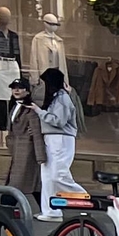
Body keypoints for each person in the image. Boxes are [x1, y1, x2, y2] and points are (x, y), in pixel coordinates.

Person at [34, 67, 88, 208]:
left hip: (61, 138)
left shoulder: (62, 97)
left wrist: (39, 111)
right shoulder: (56, 97)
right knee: (47, 177)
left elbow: (59, 121)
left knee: (58, 174)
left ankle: (84, 197)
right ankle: (50, 211)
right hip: (53, 137)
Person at [2, 76, 46, 206]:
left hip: (27, 149)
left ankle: (7, 206)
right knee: (31, 183)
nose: (16, 91)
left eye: (20, 88)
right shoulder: (13, 105)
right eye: (14, 88)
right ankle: (47, 207)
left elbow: (36, 133)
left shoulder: (30, 109)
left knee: (19, 182)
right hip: (17, 148)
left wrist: (40, 156)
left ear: (27, 91)